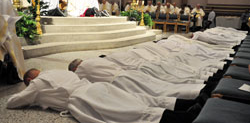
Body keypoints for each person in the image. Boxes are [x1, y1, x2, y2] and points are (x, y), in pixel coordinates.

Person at [7, 68, 170, 123]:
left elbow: (13, 102)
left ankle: (182, 118)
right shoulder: (59, 71)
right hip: (96, 87)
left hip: (84, 98)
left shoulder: (37, 84)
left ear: (29, 79)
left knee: (130, 116)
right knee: (137, 104)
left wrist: (29, 93)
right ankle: (183, 111)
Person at [69, 57, 205, 100]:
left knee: (156, 93)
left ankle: (195, 93)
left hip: (120, 81)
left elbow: (81, 83)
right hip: (128, 73)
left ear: (75, 68)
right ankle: (198, 89)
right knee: (162, 86)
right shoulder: (94, 59)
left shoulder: (81, 70)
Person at [0, 0, 25, 82]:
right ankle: (13, 74)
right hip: (7, 33)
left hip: (4, 32)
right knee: (11, 47)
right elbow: (11, 16)